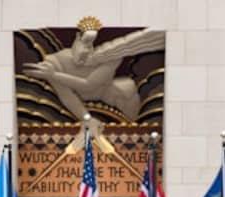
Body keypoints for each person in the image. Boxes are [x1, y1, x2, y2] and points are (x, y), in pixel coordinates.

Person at [22, 17, 164, 139]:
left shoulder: (110, 57)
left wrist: (54, 75)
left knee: (127, 87)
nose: (86, 51)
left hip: (106, 93)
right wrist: (86, 118)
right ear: (77, 38)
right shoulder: (55, 61)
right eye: (84, 43)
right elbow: (66, 94)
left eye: (90, 45)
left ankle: (134, 131)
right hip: (77, 102)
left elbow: (89, 84)